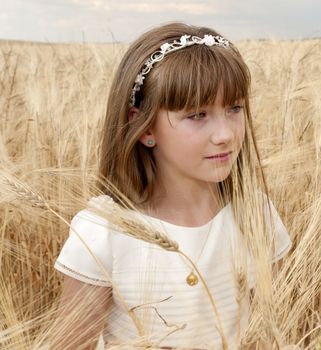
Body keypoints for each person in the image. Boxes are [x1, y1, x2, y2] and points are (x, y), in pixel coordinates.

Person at [52, 22, 292, 350]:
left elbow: (273, 331)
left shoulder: (255, 215)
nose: (225, 134)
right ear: (145, 126)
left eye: (234, 108)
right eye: (198, 115)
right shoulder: (104, 232)